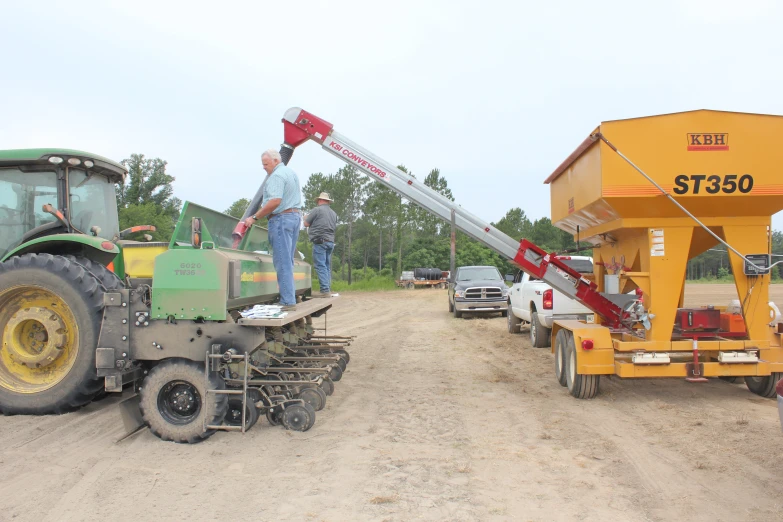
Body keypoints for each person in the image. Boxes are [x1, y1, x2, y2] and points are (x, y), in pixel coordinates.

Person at [243, 149, 302, 311]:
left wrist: (254, 217)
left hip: (281, 219)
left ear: (276, 161)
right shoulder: (290, 173)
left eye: (266, 164)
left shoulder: (276, 176)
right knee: (288, 260)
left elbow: (275, 201)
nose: (264, 167)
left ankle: (287, 301)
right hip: (294, 218)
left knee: (282, 261)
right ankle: (289, 296)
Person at [303, 192, 338, 298]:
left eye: (318, 200)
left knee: (320, 266)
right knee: (326, 266)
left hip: (320, 241)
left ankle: (325, 290)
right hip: (330, 241)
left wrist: (305, 217)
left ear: (320, 200)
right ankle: (327, 288)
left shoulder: (316, 210)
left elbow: (306, 224)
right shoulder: (334, 213)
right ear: (328, 201)